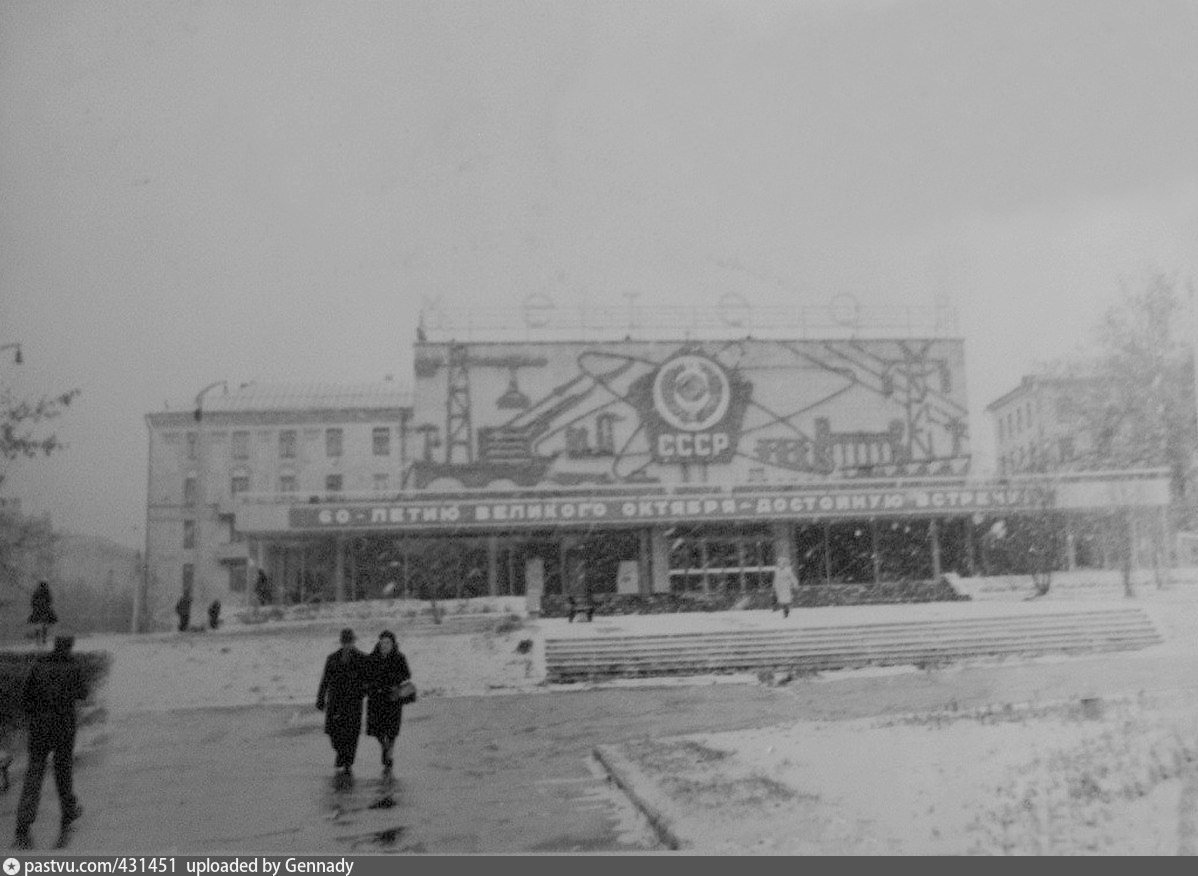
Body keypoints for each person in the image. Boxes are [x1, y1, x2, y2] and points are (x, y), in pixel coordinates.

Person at [12, 635, 87, 850]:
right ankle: (68, 810)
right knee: (63, 771)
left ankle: (24, 822)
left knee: (34, 773)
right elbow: (83, 693)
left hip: (39, 729)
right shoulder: (72, 667)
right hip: (63, 728)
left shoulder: (39, 665)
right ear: (70, 647)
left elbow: (26, 696)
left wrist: (34, 716)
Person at [316, 628, 368, 776]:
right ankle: (340, 753)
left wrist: (362, 693)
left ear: (353, 642)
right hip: (335, 702)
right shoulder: (332, 658)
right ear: (341, 642)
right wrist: (320, 699)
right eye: (345, 642)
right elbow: (325, 680)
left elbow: (368, 680)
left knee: (352, 734)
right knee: (334, 733)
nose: (347, 645)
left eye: (350, 642)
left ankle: (348, 762)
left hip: (353, 703)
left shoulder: (362, 658)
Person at [365, 630, 413, 780]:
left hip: (392, 699)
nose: (384, 645)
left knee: (391, 729)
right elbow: (365, 675)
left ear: (393, 644)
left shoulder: (399, 658)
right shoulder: (372, 657)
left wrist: (392, 678)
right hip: (376, 699)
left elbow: (407, 674)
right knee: (377, 729)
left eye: (387, 643)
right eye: (382, 642)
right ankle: (384, 747)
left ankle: (389, 751)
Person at [27, 581, 57, 647]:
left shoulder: (36, 593)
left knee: (38, 626)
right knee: (44, 626)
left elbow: (32, 602)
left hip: (38, 611)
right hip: (45, 611)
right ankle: (43, 639)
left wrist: (36, 607)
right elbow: (50, 601)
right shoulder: (47, 592)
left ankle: (39, 640)